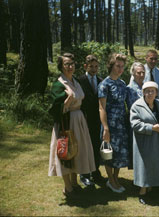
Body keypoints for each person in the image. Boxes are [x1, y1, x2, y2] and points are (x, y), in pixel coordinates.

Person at [48, 53, 96, 196]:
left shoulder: (75, 81)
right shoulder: (59, 84)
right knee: (66, 152)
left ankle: (75, 182)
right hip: (66, 122)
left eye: (72, 63)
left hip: (79, 120)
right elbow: (54, 108)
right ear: (61, 67)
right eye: (66, 64)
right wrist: (66, 101)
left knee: (77, 151)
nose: (70, 66)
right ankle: (68, 186)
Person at [130, 81, 159, 205]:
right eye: (147, 91)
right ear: (143, 92)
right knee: (144, 166)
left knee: (155, 164)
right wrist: (151, 128)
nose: (149, 93)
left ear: (156, 92)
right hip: (143, 141)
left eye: (152, 91)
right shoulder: (137, 106)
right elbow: (135, 124)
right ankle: (142, 192)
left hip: (156, 141)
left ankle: (152, 188)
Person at [98, 53, 129, 193]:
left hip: (121, 124)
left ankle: (116, 178)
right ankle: (110, 180)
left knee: (120, 153)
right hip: (109, 124)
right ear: (111, 65)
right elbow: (101, 108)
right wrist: (105, 128)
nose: (120, 69)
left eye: (122, 66)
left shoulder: (122, 84)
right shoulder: (105, 84)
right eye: (117, 66)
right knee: (108, 153)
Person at [78, 54, 104, 186]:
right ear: (85, 66)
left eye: (96, 66)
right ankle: (84, 173)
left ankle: (95, 171)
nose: (94, 69)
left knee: (95, 146)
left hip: (97, 120)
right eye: (91, 66)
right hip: (84, 118)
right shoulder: (79, 81)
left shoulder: (101, 80)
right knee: (84, 146)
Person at [127, 62, 146, 169]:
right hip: (135, 124)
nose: (141, 75)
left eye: (143, 72)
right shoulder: (129, 89)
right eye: (139, 72)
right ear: (133, 73)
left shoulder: (146, 87)